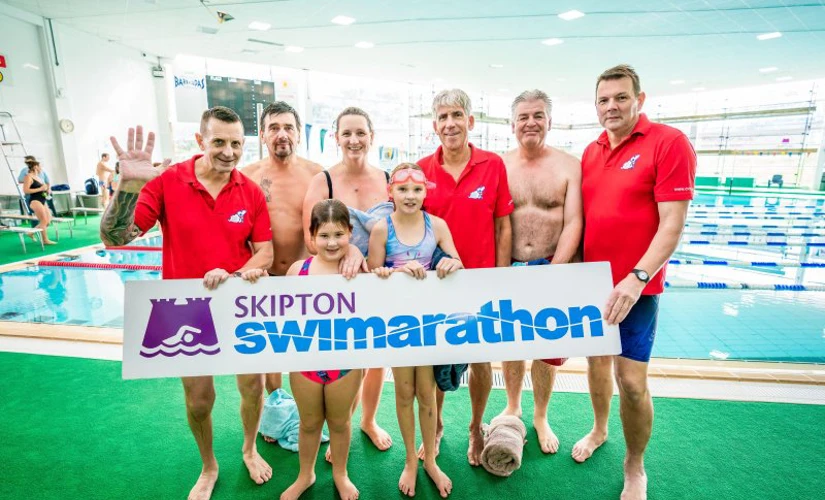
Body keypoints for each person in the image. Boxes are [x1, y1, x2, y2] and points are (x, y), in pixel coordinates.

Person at [99, 106, 275, 500]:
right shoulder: (168, 182)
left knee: (252, 386)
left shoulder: (249, 190)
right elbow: (116, 238)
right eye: (219, 142)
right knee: (199, 400)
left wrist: (240, 272)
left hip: (235, 307)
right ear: (200, 141)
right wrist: (127, 189)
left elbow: (264, 251)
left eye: (235, 143)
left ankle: (249, 449)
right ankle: (209, 465)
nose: (228, 152)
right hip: (184, 309)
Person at [573, 65, 696, 500]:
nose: (612, 107)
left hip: (636, 290)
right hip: (592, 282)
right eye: (604, 100)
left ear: (639, 100)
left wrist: (638, 277)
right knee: (594, 364)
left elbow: (672, 225)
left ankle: (635, 464)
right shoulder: (591, 151)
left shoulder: (668, 143)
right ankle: (600, 428)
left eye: (621, 98)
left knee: (631, 382)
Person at [416, 89, 514, 466]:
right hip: (436, 283)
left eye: (457, 115)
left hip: (480, 281)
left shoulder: (493, 165)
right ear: (435, 126)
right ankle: (437, 426)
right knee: (435, 358)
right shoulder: (423, 171)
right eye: (442, 117)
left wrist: (500, 276)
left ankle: (475, 427)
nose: (450, 123)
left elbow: (502, 226)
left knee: (481, 363)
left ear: (470, 121)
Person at [302, 107, 393, 456]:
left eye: (361, 133)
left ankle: (368, 421)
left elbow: (398, 229)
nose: (354, 140)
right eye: (347, 133)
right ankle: (341, 423)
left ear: (372, 136)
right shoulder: (322, 181)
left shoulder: (387, 178)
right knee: (343, 355)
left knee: (375, 360)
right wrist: (348, 254)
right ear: (336, 137)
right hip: (337, 285)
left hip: (375, 278)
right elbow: (312, 238)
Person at [367, 163, 462, 498]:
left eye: (417, 190)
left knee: (427, 393)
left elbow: (456, 262)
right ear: (390, 191)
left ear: (426, 192)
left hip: (430, 323)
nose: (410, 196)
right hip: (398, 325)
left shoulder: (436, 225)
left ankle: (431, 460)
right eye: (403, 189)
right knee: (404, 393)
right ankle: (410, 459)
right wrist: (394, 271)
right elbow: (372, 273)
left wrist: (450, 262)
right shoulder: (381, 229)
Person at [499, 89, 583, 454]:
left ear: (550, 121)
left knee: (549, 353)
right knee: (513, 346)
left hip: (554, 265)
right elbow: (496, 222)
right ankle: (513, 405)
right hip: (512, 267)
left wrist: (557, 270)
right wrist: (499, 271)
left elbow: (574, 220)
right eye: (523, 117)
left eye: (537, 115)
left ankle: (541, 414)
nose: (530, 122)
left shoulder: (570, 165)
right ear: (512, 124)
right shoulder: (499, 165)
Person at [281, 199, 364, 500]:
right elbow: (277, 313)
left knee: (340, 423)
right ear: (312, 236)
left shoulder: (359, 271)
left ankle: (340, 474)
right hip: (305, 361)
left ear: (350, 234)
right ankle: (306, 474)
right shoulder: (297, 271)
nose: (332, 243)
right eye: (324, 235)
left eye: (339, 235)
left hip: (345, 364)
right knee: (309, 422)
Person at [241, 101, 323, 395]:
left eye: (288, 127)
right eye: (273, 128)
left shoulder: (317, 174)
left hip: (306, 277)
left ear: (299, 134)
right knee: (270, 352)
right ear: (262, 135)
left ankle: (308, 410)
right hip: (263, 278)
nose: (281, 134)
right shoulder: (246, 176)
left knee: (308, 349)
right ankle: (276, 407)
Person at [22, 161, 56, 245]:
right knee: (43, 221)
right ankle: (45, 240)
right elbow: (26, 190)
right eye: (40, 166)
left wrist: (46, 189)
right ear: (35, 167)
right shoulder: (28, 177)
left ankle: (31, 232)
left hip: (43, 200)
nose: (41, 168)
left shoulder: (37, 177)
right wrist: (40, 189)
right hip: (35, 201)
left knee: (48, 221)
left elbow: (42, 188)